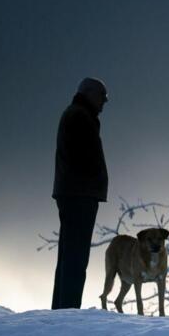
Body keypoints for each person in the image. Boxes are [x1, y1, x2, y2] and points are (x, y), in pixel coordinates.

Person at [51, 77, 109, 309]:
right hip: (79, 195)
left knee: (69, 254)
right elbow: (85, 156)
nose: (104, 103)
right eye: (102, 97)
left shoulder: (76, 114)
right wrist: (93, 178)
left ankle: (62, 307)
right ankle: (68, 308)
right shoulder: (80, 117)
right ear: (91, 94)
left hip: (73, 193)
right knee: (76, 255)